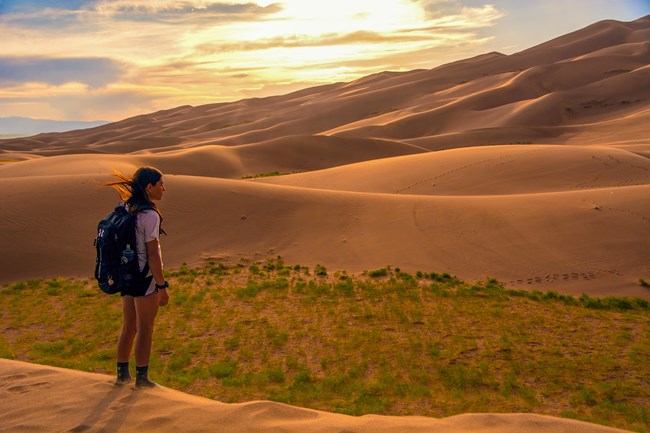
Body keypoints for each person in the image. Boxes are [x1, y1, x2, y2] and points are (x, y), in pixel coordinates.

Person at [105, 166, 169, 388]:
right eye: (161, 184)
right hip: (144, 278)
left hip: (126, 275)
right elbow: (153, 254)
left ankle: (122, 374)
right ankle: (142, 378)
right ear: (149, 187)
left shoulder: (125, 207)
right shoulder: (149, 215)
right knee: (145, 328)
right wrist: (161, 285)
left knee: (128, 326)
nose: (164, 189)